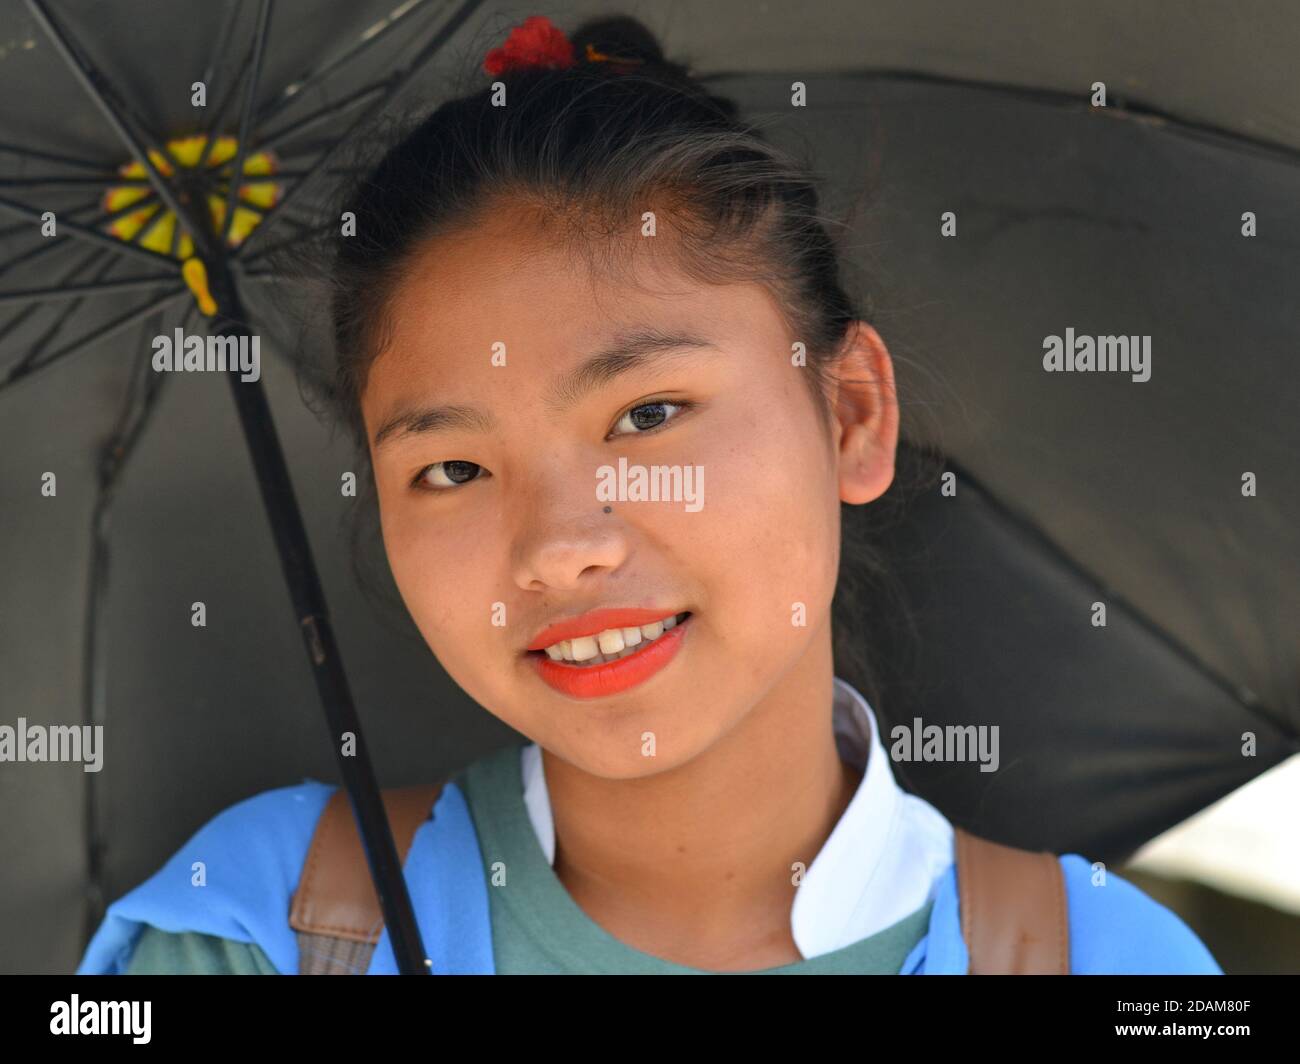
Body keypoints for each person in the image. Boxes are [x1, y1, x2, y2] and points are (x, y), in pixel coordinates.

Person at [77, 13, 1221, 976]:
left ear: (851, 414)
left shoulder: (1116, 964)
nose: (561, 546)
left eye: (647, 414)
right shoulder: (263, 930)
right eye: (453, 469)